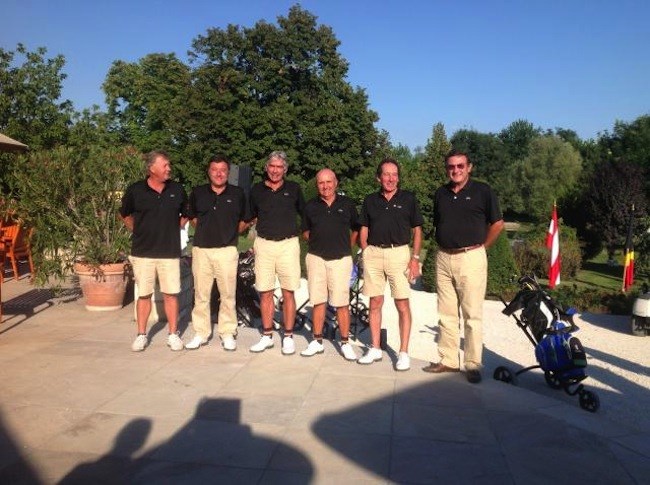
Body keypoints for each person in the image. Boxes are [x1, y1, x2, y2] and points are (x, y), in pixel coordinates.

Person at [423, 149, 504, 383]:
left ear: (469, 167)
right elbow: (439, 223)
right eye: (451, 166)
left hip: (471, 257)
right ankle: (448, 360)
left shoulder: (483, 191)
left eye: (460, 166)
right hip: (443, 257)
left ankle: (472, 364)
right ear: (446, 169)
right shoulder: (441, 193)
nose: (455, 170)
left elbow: (497, 223)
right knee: (446, 313)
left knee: (472, 314)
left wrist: (482, 247)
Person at [357, 158, 423, 371]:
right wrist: (366, 250)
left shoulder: (408, 199)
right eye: (386, 174)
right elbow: (364, 227)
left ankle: (403, 353)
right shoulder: (370, 200)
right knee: (375, 302)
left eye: (394, 174)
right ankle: (375, 348)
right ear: (379, 177)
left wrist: (415, 258)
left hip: (399, 254)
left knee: (402, 304)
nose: (391, 178)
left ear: (398, 178)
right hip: (374, 254)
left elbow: (417, 230)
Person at [120, 150, 188, 352]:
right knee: (144, 295)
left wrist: (175, 228)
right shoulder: (135, 190)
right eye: (165, 165)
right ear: (152, 168)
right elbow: (124, 214)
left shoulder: (177, 189)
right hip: (143, 253)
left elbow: (186, 213)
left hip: (169, 252)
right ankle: (141, 335)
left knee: (171, 294)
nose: (169, 168)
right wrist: (137, 230)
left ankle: (173, 334)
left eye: (169, 165)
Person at [184, 155, 250, 352]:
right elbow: (192, 217)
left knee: (228, 295)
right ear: (209, 172)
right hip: (202, 250)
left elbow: (246, 219)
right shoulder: (198, 192)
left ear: (228, 172)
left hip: (227, 251)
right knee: (201, 295)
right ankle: (201, 333)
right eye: (214, 170)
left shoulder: (238, 193)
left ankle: (227, 333)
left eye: (223, 170)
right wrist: (205, 229)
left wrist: (230, 232)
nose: (219, 174)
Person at [248, 151, 305, 355]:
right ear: (266, 168)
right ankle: (267, 335)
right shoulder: (256, 190)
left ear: (285, 170)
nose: (275, 170)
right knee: (265, 292)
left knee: (289, 292)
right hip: (264, 244)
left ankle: (288, 336)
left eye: (279, 167)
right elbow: (249, 215)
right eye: (272, 166)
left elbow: (306, 214)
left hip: (288, 245)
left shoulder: (294, 189)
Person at [300, 168, 359, 361]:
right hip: (316, 258)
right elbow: (305, 231)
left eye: (328, 182)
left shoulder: (347, 204)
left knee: (342, 303)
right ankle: (317, 341)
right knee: (318, 301)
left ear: (335, 183)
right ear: (317, 185)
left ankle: (345, 343)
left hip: (341, 260)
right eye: (321, 183)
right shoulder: (310, 206)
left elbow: (356, 228)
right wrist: (319, 241)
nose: (325, 186)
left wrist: (348, 245)